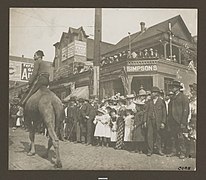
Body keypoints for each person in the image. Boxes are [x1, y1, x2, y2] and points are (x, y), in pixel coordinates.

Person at [167, 81, 190, 159]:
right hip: (172, 121)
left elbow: (186, 110)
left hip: (179, 121)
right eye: (172, 87)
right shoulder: (172, 98)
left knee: (181, 137)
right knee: (172, 137)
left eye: (173, 87)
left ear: (177, 88)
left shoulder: (183, 97)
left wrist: (183, 122)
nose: (172, 88)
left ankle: (182, 152)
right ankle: (174, 151)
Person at [144, 86, 167, 156]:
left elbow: (164, 113)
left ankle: (159, 150)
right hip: (150, 121)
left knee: (158, 136)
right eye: (152, 92)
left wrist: (163, 122)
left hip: (158, 122)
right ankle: (150, 151)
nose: (152, 94)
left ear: (157, 93)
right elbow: (146, 112)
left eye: (154, 92)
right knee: (149, 136)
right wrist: (145, 121)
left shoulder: (161, 101)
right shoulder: (149, 102)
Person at [132, 89, 147, 154]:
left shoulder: (141, 113)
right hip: (136, 126)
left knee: (141, 138)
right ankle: (136, 149)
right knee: (136, 138)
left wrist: (136, 125)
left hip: (139, 127)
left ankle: (141, 149)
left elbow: (141, 120)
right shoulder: (137, 113)